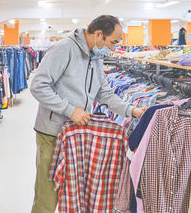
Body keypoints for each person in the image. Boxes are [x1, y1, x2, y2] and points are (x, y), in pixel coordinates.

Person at [30, 15, 147, 213]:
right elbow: (38, 86)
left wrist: (132, 110)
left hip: (79, 135)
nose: (113, 47)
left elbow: (105, 94)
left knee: (75, 192)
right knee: (47, 196)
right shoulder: (64, 49)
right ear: (98, 34)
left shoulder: (96, 56)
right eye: (113, 42)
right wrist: (70, 110)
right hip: (52, 133)